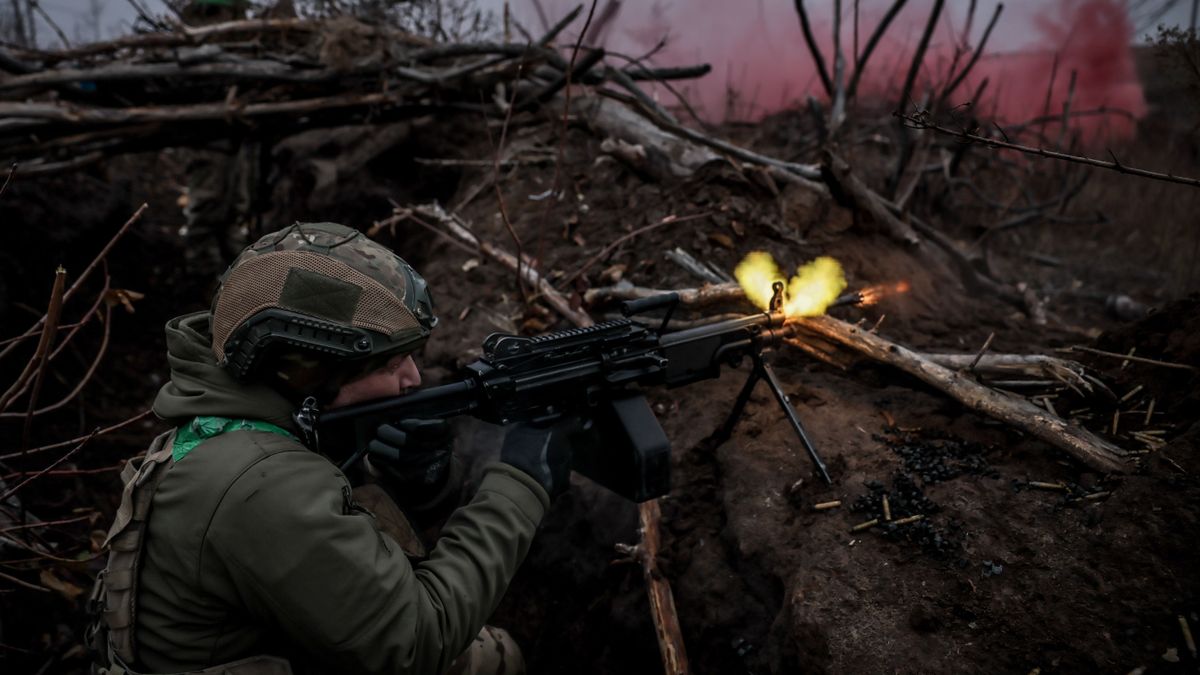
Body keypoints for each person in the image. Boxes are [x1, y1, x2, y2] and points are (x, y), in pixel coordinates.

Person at [87, 222, 576, 675]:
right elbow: (416, 641)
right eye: (389, 365)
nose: (413, 379)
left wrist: (413, 484)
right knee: (498, 660)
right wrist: (519, 483)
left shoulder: (226, 430)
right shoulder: (260, 482)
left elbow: (327, 535)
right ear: (306, 372)